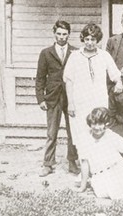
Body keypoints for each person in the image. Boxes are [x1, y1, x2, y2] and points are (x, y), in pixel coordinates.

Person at [63, 23, 123, 157]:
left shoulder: (104, 55)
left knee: (99, 130)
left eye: (93, 39)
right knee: (81, 132)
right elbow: (69, 80)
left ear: (98, 40)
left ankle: (98, 164)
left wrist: (119, 82)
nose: (90, 43)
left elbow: (115, 74)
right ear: (83, 39)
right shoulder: (75, 56)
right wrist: (70, 103)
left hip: (98, 101)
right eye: (87, 39)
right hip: (80, 102)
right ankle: (84, 166)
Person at [35, 20, 79, 177]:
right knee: (51, 132)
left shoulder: (75, 52)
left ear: (69, 34)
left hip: (71, 97)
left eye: (64, 34)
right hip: (53, 97)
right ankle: (48, 164)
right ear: (54, 34)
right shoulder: (46, 53)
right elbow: (40, 78)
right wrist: (41, 98)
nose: (61, 37)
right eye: (59, 34)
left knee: (72, 131)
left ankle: (73, 162)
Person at [76, 107, 123, 199]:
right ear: (90, 123)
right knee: (104, 193)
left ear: (106, 124)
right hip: (99, 175)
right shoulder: (84, 139)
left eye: (100, 124)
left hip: (117, 171)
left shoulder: (112, 136)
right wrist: (82, 186)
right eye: (94, 124)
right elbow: (84, 164)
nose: (97, 127)